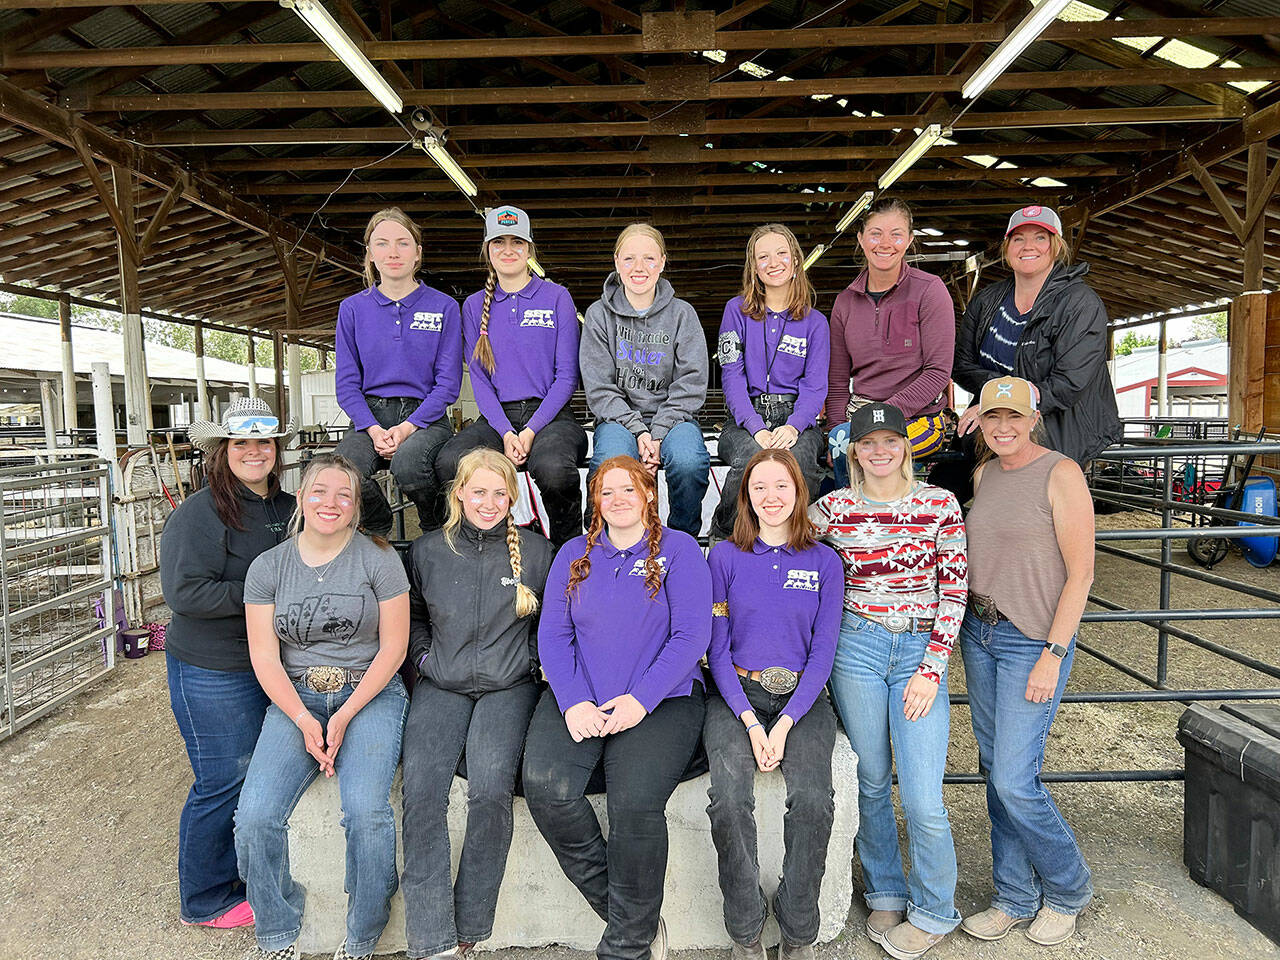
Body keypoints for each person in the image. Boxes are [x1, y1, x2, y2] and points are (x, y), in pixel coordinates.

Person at [522, 455, 711, 960]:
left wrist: (641, 699)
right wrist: (573, 701)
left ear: (650, 494)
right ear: (595, 502)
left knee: (634, 806)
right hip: (582, 696)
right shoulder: (573, 554)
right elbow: (554, 636)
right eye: (607, 492)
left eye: (630, 489)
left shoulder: (680, 549)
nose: (619, 500)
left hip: (662, 699)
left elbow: (692, 634)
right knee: (546, 788)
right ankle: (633, 916)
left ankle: (626, 945)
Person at [235, 453, 411, 960]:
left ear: (356, 507)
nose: (330, 503)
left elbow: (394, 648)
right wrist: (303, 719)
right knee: (254, 816)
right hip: (296, 694)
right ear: (301, 498)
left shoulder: (378, 558)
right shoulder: (268, 567)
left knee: (365, 811)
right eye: (319, 492)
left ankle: (364, 931)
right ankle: (276, 928)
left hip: (369, 691)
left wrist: (345, 713)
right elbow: (264, 655)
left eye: (344, 495)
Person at [810, 402, 967, 960]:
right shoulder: (831, 510)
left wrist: (932, 667)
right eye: (867, 442)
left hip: (917, 648)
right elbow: (785, 541)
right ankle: (886, 888)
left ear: (907, 446)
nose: (880, 451)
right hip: (857, 645)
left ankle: (934, 909)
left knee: (924, 795)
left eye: (890, 441)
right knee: (872, 779)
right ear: (853, 451)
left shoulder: (939, 505)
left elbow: (954, 591)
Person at [400, 448, 555, 960]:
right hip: (440, 685)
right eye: (478, 491)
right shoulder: (426, 551)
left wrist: (528, 665)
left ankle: (470, 928)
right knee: (422, 793)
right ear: (458, 493)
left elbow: (548, 625)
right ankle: (431, 939)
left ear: (512, 497)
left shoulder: (537, 551)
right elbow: (414, 617)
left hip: (507, 688)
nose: (489, 502)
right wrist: (424, 661)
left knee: (490, 791)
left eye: (499, 492)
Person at [957, 377, 1094, 947]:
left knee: (1015, 779)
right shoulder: (985, 475)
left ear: (1034, 419)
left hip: (1030, 641)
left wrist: (1053, 654)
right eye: (993, 418)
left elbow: (1082, 573)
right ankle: (1014, 894)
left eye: (1014, 417)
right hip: (979, 632)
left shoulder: (1061, 473)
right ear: (980, 422)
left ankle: (1067, 885)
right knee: (996, 772)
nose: (1003, 427)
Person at [160, 397, 296, 930]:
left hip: (273, 661)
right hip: (214, 667)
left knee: (258, 774)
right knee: (223, 778)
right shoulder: (199, 514)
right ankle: (205, 897)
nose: (255, 451)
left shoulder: (288, 508)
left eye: (264, 441)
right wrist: (264, 594)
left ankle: (246, 873)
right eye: (242, 442)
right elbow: (185, 592)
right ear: (222, 450)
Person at [704, 448, 843, 960]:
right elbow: (716, 648)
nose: (771, 497)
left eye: (781, 485)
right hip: (735, 694)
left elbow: (824, 650)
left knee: (813, 800)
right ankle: (744, 927)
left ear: (798, 492)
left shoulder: (824, 560)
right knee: (727, 799)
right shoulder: (723, 556)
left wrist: (783, 724)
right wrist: (749, 719)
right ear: (745, 496)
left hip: (802, 701)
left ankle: (798, 924)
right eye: (759, 487)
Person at [940, 204, 1122, 503]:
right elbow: (961, 365)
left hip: (1062, 422)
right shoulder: (986, 300)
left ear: (1056, 245)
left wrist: (1000, 397)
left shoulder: (1079, 303)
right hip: (996, 423)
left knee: (1033, 504)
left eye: (1040, 237)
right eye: (1018, 238)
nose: (1028, 246)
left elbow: (1068, 384)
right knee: (949, 483)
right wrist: (996, 403)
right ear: (1007, 246)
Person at [436, 206, 588, 547]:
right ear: (487, 249)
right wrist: (506, 431)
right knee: (449, 461)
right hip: (496, 418)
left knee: (553, 469)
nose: (508, 250)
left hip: (550, 417)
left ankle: (568, 553)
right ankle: (475, 547)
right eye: (498, 242)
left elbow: (567, 376)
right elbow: (478, 378)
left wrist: (530, 431)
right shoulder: (474, 306)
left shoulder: (556, 297)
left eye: (517, 242)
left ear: (530, 249)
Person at [335, 206, 461, 536]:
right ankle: (378, 524)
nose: (393, 252)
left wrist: (407, 428)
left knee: (410, 465)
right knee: (342, 470)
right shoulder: (352, 309)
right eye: (383, 243)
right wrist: (374, 429)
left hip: (426, 416)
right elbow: (347, 383)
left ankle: (436, 531)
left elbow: (448, 383)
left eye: (403, 243)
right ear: (370, 253)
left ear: (418, 253)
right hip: (369, 414)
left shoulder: (444, 306)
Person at [580, 223, 711, 538]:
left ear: (663, 262)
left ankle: (683, 539)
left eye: (649, 259)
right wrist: (639, 430)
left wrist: (659, 431)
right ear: (616, 262)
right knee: (610, 464)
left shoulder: (683, 315)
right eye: (629, 259)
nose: (639, 268)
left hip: (675, 418)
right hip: (618, 420)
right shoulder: (599, 315)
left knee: (689, 462)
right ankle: (604, 539)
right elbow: (600, 388)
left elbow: (691, 382)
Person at [709, 224, 829, 544]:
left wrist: (793, 426)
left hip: (796, 419)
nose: (773, 262)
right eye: (763, 257)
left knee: (801, 462)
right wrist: (754, 425)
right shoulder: (736, 311)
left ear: (795, 261)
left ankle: (798, 540)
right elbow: (732, 374)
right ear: (754, 267)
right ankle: (723, 535)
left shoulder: (815, 322)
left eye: (781, 254)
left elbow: (815, 385)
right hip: (746, 418)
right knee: (750, 459)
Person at [826, 197, 954, 488]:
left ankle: (886, 526)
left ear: (909, 240)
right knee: (844, 454)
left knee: (877, 456)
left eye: (896, 234)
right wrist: (834, 430)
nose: (885, 243)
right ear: (860, 239)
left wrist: (883, 416)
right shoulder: (845, 301)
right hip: (858, 418)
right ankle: (850, 528)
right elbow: (836, 379)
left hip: (918, 417)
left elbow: (938, 371)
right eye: (875, 234)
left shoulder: (930, 290)